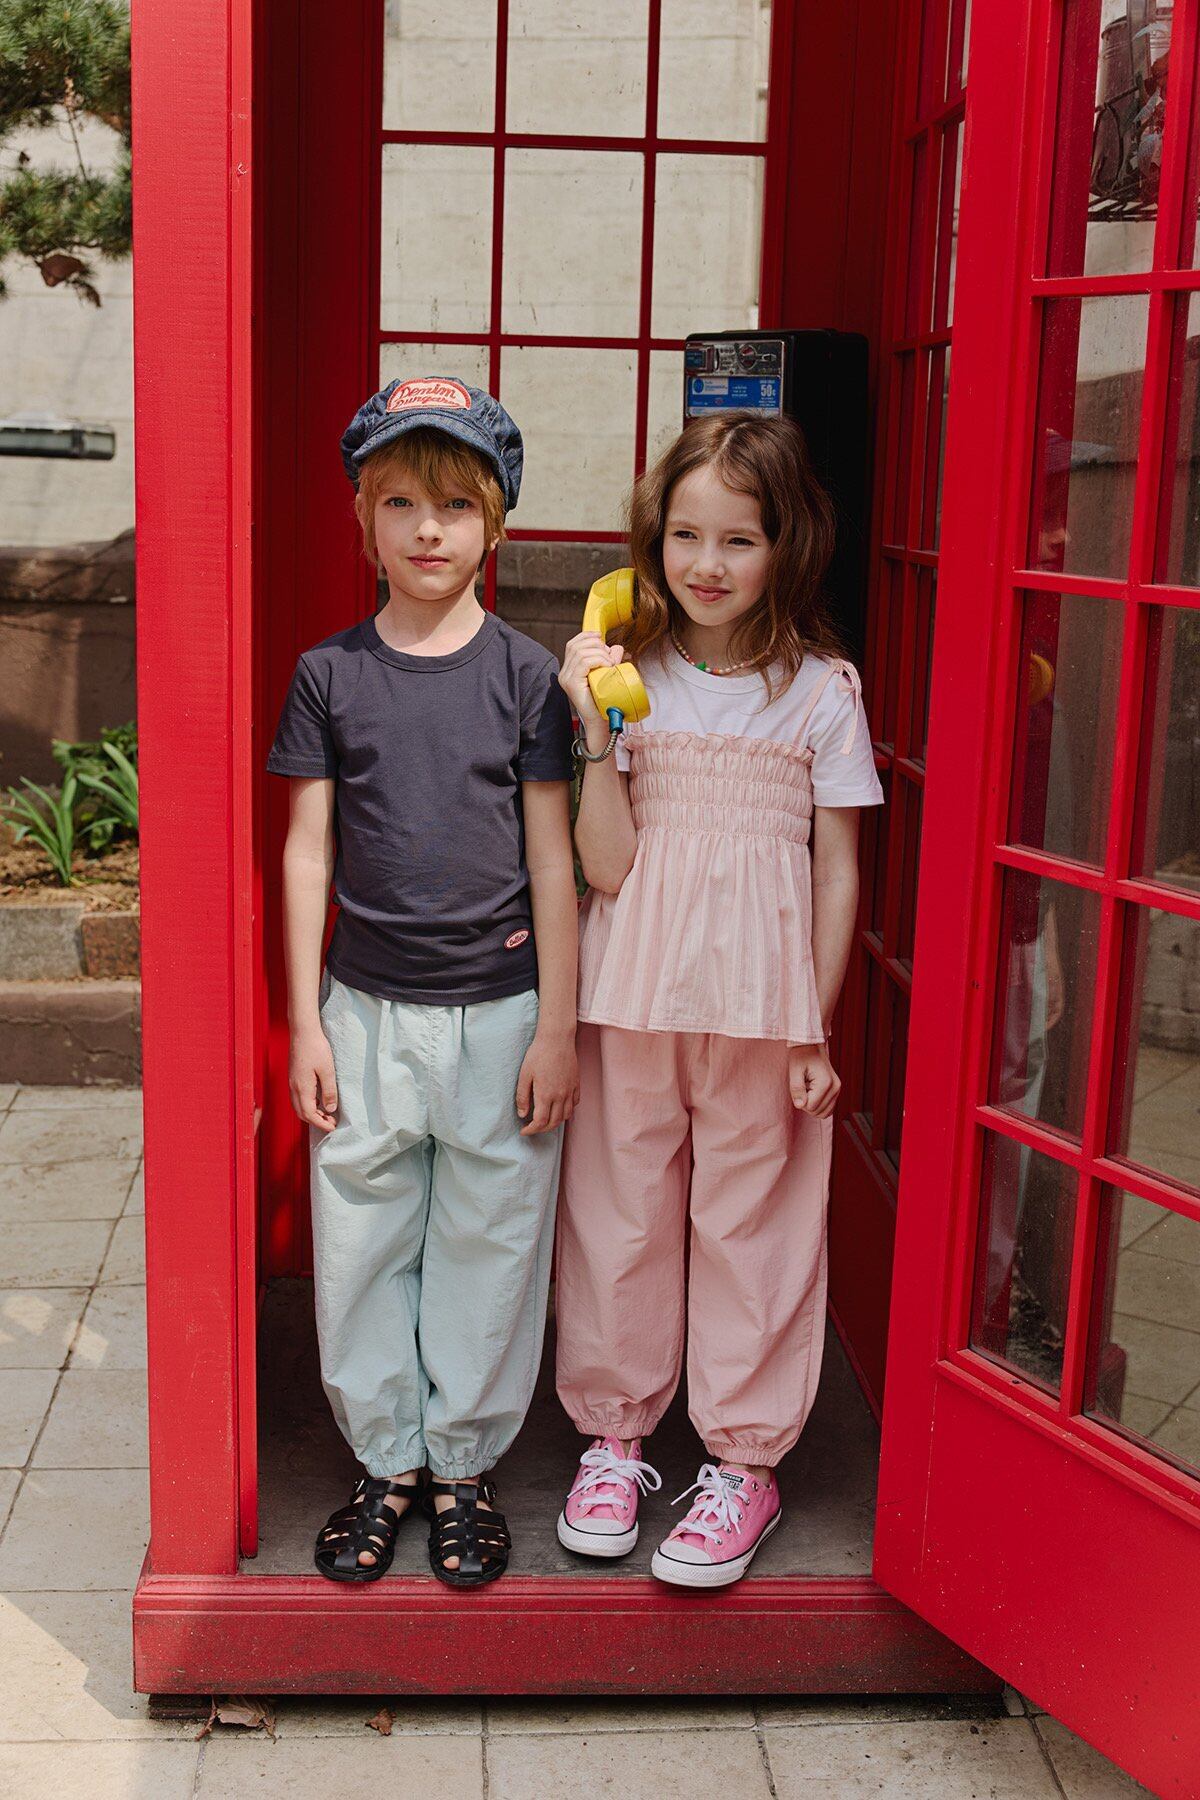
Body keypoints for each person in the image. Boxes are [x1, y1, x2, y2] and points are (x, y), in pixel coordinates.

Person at [554, 411, 884, 1587]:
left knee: (755, 1231)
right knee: (621, 1218)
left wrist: (816, 1027)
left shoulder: (822, 694)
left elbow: (838, 871)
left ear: (786, 545)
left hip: (763, 1008)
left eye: (738, 539)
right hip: (630, 995)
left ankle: (743, 1463)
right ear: (653, 540)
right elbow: (604, 865)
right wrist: (594, 729)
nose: (706, 563)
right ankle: (614, 1441)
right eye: (685, 535)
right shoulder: (630, 678)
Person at [267, 376, 578, 1588]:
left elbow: (552, 859)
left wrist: (559, 1027)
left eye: (455, 504)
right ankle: (387, 1461)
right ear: (363, 518)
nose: (428, 528)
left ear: (495, 522)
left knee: (490, 1243)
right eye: (400, 501)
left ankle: (462, 1468)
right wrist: (307, 1024)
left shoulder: (525, 675)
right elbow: (307, 852)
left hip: (501, 1013)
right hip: (366, 1009)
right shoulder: (329, 674)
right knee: (362, 1240)